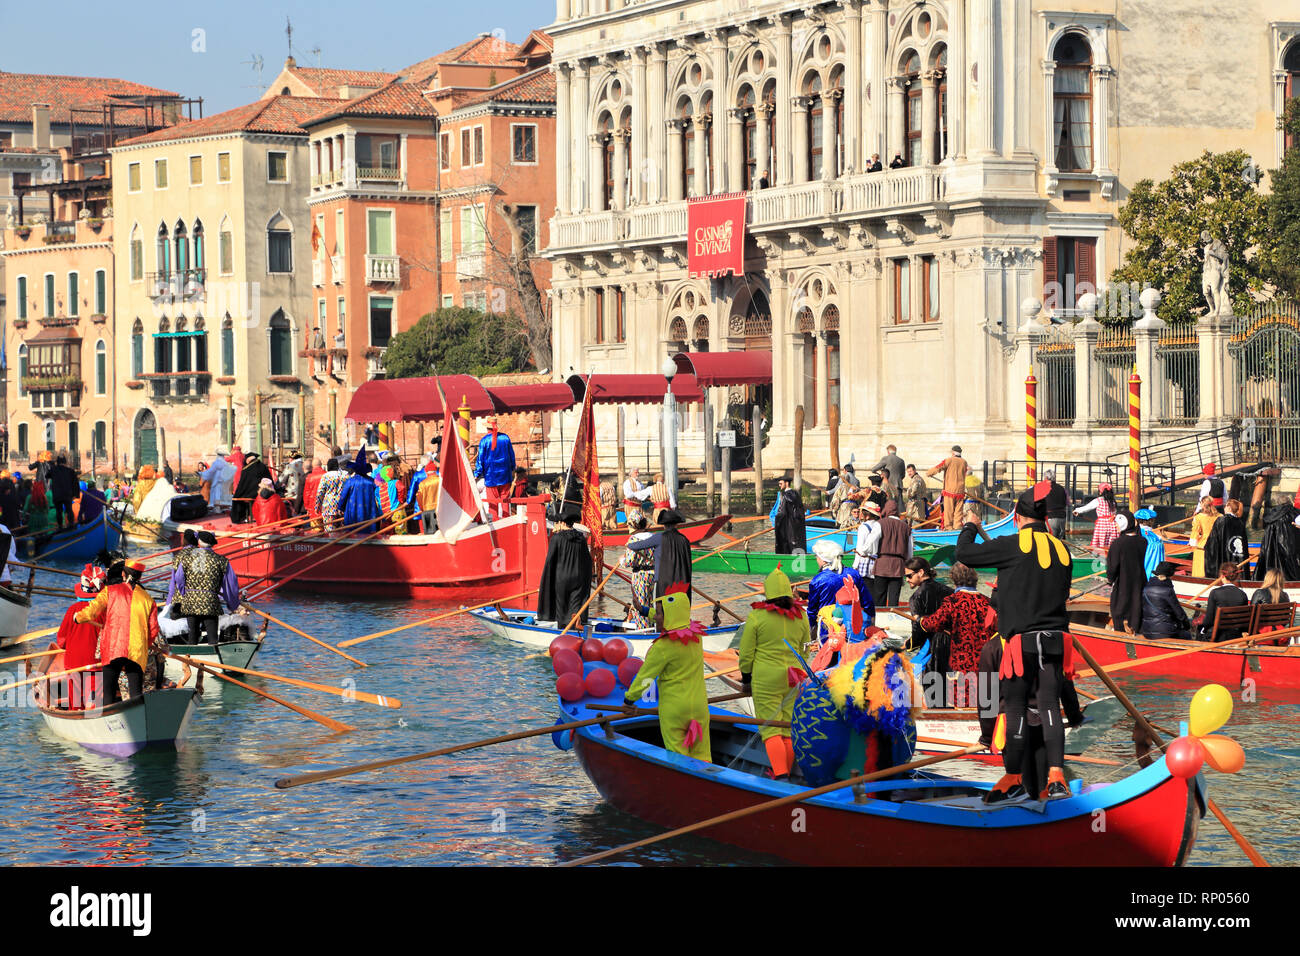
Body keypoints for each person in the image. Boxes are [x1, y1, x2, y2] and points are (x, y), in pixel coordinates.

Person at [956, 481, 1073, 802]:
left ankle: (1013, 777)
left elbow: (963, 553)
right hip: (1056, 640)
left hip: (1020, 644)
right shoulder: (1063, 549)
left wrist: (969, 525)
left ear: (1017, 517)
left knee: (1017, 707)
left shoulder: (1014, 544)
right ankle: (1056, 776)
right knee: (1051, 705)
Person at [622, 583, 711, 762]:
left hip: (675, 710)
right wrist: (644, 610)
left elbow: (645, 676)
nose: (658, 617)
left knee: (678, 755)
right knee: (702, 755)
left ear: (669, 616)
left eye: (660, 613)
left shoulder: (663, 646)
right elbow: (675, 617)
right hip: (700, 707)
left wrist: (629, 699)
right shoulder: (696, 635)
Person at [738, 566, 810, 780]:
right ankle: (785, 773)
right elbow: (805, 650)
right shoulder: (802, 615)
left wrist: (746, 679)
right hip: (793, 678)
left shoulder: (757, 616)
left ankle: (780, 775)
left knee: (770, 728)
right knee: (786, 728)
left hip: (765, 678)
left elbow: (746, 654)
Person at [75, 559, 164, 704]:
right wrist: (144, 644)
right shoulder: (148, 599)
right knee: (136, 693)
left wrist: (77, 618)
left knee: (108, 692)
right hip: (137, 650)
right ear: (140, 577)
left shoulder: (109, 591)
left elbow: (91, 612)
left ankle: (108, 720)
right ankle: (137, 719)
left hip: (113, 648)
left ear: (123, 574)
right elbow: (153, 630)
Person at [919, 563, 997, 707]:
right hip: (986, 664)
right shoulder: (988, 602)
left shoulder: (953, 602)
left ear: (953, 578)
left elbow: (933, 624)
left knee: (962, 706)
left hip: (961, 665)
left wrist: (922, 621)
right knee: (986, 708)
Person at [43, 564, 107, 709]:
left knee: (76, 700)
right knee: (95, 701)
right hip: (96, 661)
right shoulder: (104, 610)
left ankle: (77, 712)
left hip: (74, 661)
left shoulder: (72, 609)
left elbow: (62, 640)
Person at [169, 530, 240, 645]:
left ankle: (189, 659)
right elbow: (231, 585)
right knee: (212, 638)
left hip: (190, 601)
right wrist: (233, 605)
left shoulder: (186, 558)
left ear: (199, 542)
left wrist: (184, 594)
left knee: (192, 637)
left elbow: (179, 579)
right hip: (210, 602)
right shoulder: (221, 560)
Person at [536, 508, 592, 626]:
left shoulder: (556, 538)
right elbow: (587, 560)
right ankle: (575, 626)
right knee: (575, 607)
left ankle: (563, 628)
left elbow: (550, 561)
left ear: (562, 523)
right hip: (579, 578)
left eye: (557, 522)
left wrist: (546, 583)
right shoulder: (581, 538)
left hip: (562, 578)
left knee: (562, 608)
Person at [807, 539, 874, 634]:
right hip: (852, 627)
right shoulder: (854, 574)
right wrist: (871, 623)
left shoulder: (818, 580)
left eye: (816, 557)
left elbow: (812, 611)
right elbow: (867, 603)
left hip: (827, 629)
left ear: (823, 559)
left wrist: (812, 628)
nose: (816, 559)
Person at [625, 508, 692, 599]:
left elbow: (637, 546)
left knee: (662, 609)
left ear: (664, 525)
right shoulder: (684, 539)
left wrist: (628, 545)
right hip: (683, 581)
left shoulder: (660, 537)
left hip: (664, 581)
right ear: (676, 524)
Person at [1106, 510, 1148, 634]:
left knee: (1120, 609)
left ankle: (1121, 634)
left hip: (1123, 584)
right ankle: (1135, 631)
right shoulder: (1143, 541)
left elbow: (1112, 568)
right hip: (1140, 583)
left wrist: (1110, 579)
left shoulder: (1117, 544)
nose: (1115, 525)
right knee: (1137, 607)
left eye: (1117, 523)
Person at [474, 416, 516, 519]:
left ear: (487, 428)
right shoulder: (505, 438)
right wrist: (512, 468)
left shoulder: (484, 441)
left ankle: (496, 524)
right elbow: (512, 456)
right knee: (505, 501)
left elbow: (480, 460)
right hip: (505, 475)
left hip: (491, 476)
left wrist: (477, 474)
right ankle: (506, 521)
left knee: (493, 503)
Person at [619, 512, 656, 627]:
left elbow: (629, 561)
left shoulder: (633, 539)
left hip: (640, 576)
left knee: (640, 604)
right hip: (654, 574)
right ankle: (653, 627)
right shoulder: (653, 537)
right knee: (652, 603)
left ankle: (643, 629)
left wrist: (621, 561)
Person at [1142, 561, 1193, 640]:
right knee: (1187, 635)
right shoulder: (1167, 591)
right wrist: (1188, 626)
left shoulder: (1146, 589)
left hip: (1147, 631)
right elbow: (1180, 614)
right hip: (1165, 633)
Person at [1200, 562, 1249, 641]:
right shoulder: (1243, 595)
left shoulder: (1215, 593)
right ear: (1236, 577)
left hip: (1218, 636)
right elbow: (1244, 623)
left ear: (1222, 576)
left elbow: (1209, 619)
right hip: (1235, 636)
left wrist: (1203, 630)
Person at [337, 448, 381, 535]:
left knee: (353, 534)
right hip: (370, 514)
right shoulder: (372, 481)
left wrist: (340, 508)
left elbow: (343, 497)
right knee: (369, 534)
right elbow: (378, 496)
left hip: (353, 515)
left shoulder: (350, 481)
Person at [926, 446, 969, 530]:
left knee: (948, 512)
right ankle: (957, 527)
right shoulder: (964, 462)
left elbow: (938, 467)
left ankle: (948, 528)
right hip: (960, 491)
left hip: (950, 491)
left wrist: (929, 473)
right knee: (958, 512)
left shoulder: (949, 460)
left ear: (953, 452)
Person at [1202, 498, 1248, 578]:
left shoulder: (1221, 520)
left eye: (1225, 506)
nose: (1224, 508)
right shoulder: (1241, 523)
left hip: (1224, 560)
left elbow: (1213, 542)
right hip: (1237, 559)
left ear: (1229, 508)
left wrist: (1207, 547)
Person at [1074, 483, 1119, 553]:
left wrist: (1077, 510)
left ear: (1101, 492)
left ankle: (1102, 558)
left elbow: (1087, 508)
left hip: (1102, 525)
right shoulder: (1113, 501)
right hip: (1113, 524)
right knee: (1111, 545)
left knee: (1101, 544)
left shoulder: (1099, 500)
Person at [230, 452, 273, 524]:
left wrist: (237, 493)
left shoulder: (246, 469)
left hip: (251, 494)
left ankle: (239, 518)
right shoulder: (263, 466)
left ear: (247, 460)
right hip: (265, 492)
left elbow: (242, 485)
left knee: (237, 498)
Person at [770, 476, 807, 554]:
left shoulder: (786, 495)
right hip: (797, 526)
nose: (779, 485)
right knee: (798, 545)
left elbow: (781, 513)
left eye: (781, 483)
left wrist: (776, 523)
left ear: (786, 483)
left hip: (789, 527)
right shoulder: (796, 494)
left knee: (787, 545)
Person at [1187, 496, 1220, 578]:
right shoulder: (1220, 516)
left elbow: (1195, 532)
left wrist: (1192, 543)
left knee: (1200, 569)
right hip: (1216, 545)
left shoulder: (1198, 517)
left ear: (1202, 504)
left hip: (1202, 545)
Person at [315, 457, 348, 531]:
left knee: (330, 531)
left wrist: (317, 507)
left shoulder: (326, 476)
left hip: (328, 508)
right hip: (342, 507)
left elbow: (320, 492)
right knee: (342, 531)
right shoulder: (345, 475)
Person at [870, 445, 905, 511]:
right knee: (899, 507)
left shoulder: (886, 458)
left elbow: (873, 469)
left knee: (888, 505)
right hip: (898, 486)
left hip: (888, 486)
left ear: (888, 452)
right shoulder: (901, 461)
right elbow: (903, 475)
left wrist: (879, 474)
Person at [47, 455, 78, 530]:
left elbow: (47, 476)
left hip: (57, 495)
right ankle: (71, 524)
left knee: (59, 511)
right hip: (67, 494)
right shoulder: (70, 471)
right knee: (69, 510)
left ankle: (60, 526)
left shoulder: (53, 470)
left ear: (57, 462)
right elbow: (75, 484)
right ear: (65, 462)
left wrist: (52, 467)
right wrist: (75, 495)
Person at [852, 501, 881, 581]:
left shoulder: (863, 527)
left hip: (866, 562)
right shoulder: (879, 525)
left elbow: (860, 548)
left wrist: (855, 565)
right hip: (877, 562)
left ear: (867, 516)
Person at [1134, 508, 1166, 578]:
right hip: (1154, 572)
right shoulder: (1156, 538)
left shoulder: (1136, 534)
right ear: (1151, 521)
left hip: (1141, 571)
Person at [1042, 469, 1069, 539]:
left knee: (1050, 541)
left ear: (1045, 478)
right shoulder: (1062, 489)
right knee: (1059, 542)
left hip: (1050, 518)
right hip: (1062, 518)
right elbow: (1067, 503)